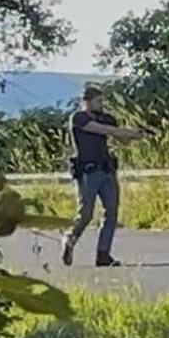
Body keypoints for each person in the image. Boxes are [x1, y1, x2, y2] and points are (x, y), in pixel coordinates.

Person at [62, 87, 144, 267]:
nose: (101, 105)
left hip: (106, 170)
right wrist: (124, 131)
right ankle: (70, 239)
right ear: (87, 102)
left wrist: (135, 135)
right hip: (87, 172)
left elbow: (121, 139)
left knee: (111, 212)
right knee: (85, 214)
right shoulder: (79, 118)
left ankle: (103, 254)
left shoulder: (107, 118)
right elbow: (101, 130)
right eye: (98, 101)